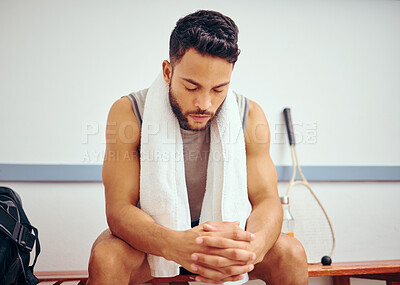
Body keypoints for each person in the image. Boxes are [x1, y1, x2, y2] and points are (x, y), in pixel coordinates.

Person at [88, 10, 308, 285]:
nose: (204, 103)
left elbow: (267, 200)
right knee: (106, 257)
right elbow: (119, 208)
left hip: (224, 240)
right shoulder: (129, 112)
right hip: (153, 241)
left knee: (292, 253)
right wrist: (174, 244)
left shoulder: (249, 116)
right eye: (191, 87)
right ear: (168, 71)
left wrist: (252, 249)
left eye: (218, 89)